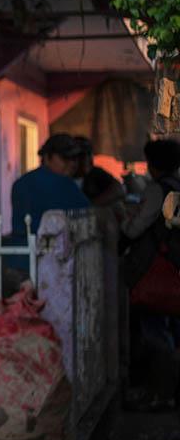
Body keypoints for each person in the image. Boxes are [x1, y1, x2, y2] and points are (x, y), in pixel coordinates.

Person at [122, 138, 180, 412]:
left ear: (153, 164)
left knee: (155, 333)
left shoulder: (158, 191)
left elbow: (135, 229)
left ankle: (162, 393)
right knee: (169, 332)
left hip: (157, 272)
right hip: (174, 270)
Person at [3, 133, 90, 274]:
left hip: (19, 261)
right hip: (53, 263)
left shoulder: (20, 183)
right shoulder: (66, 185)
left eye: (74, 159)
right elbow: (89, 215)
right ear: (47, 157)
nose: (72, 164)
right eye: (65, 158)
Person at [73, 135, 126, 210]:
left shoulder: (96, 173)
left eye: (89, 154)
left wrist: (91, 206)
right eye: (81, 155)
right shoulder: (62, 176)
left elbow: (119, 189)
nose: (86, 159)